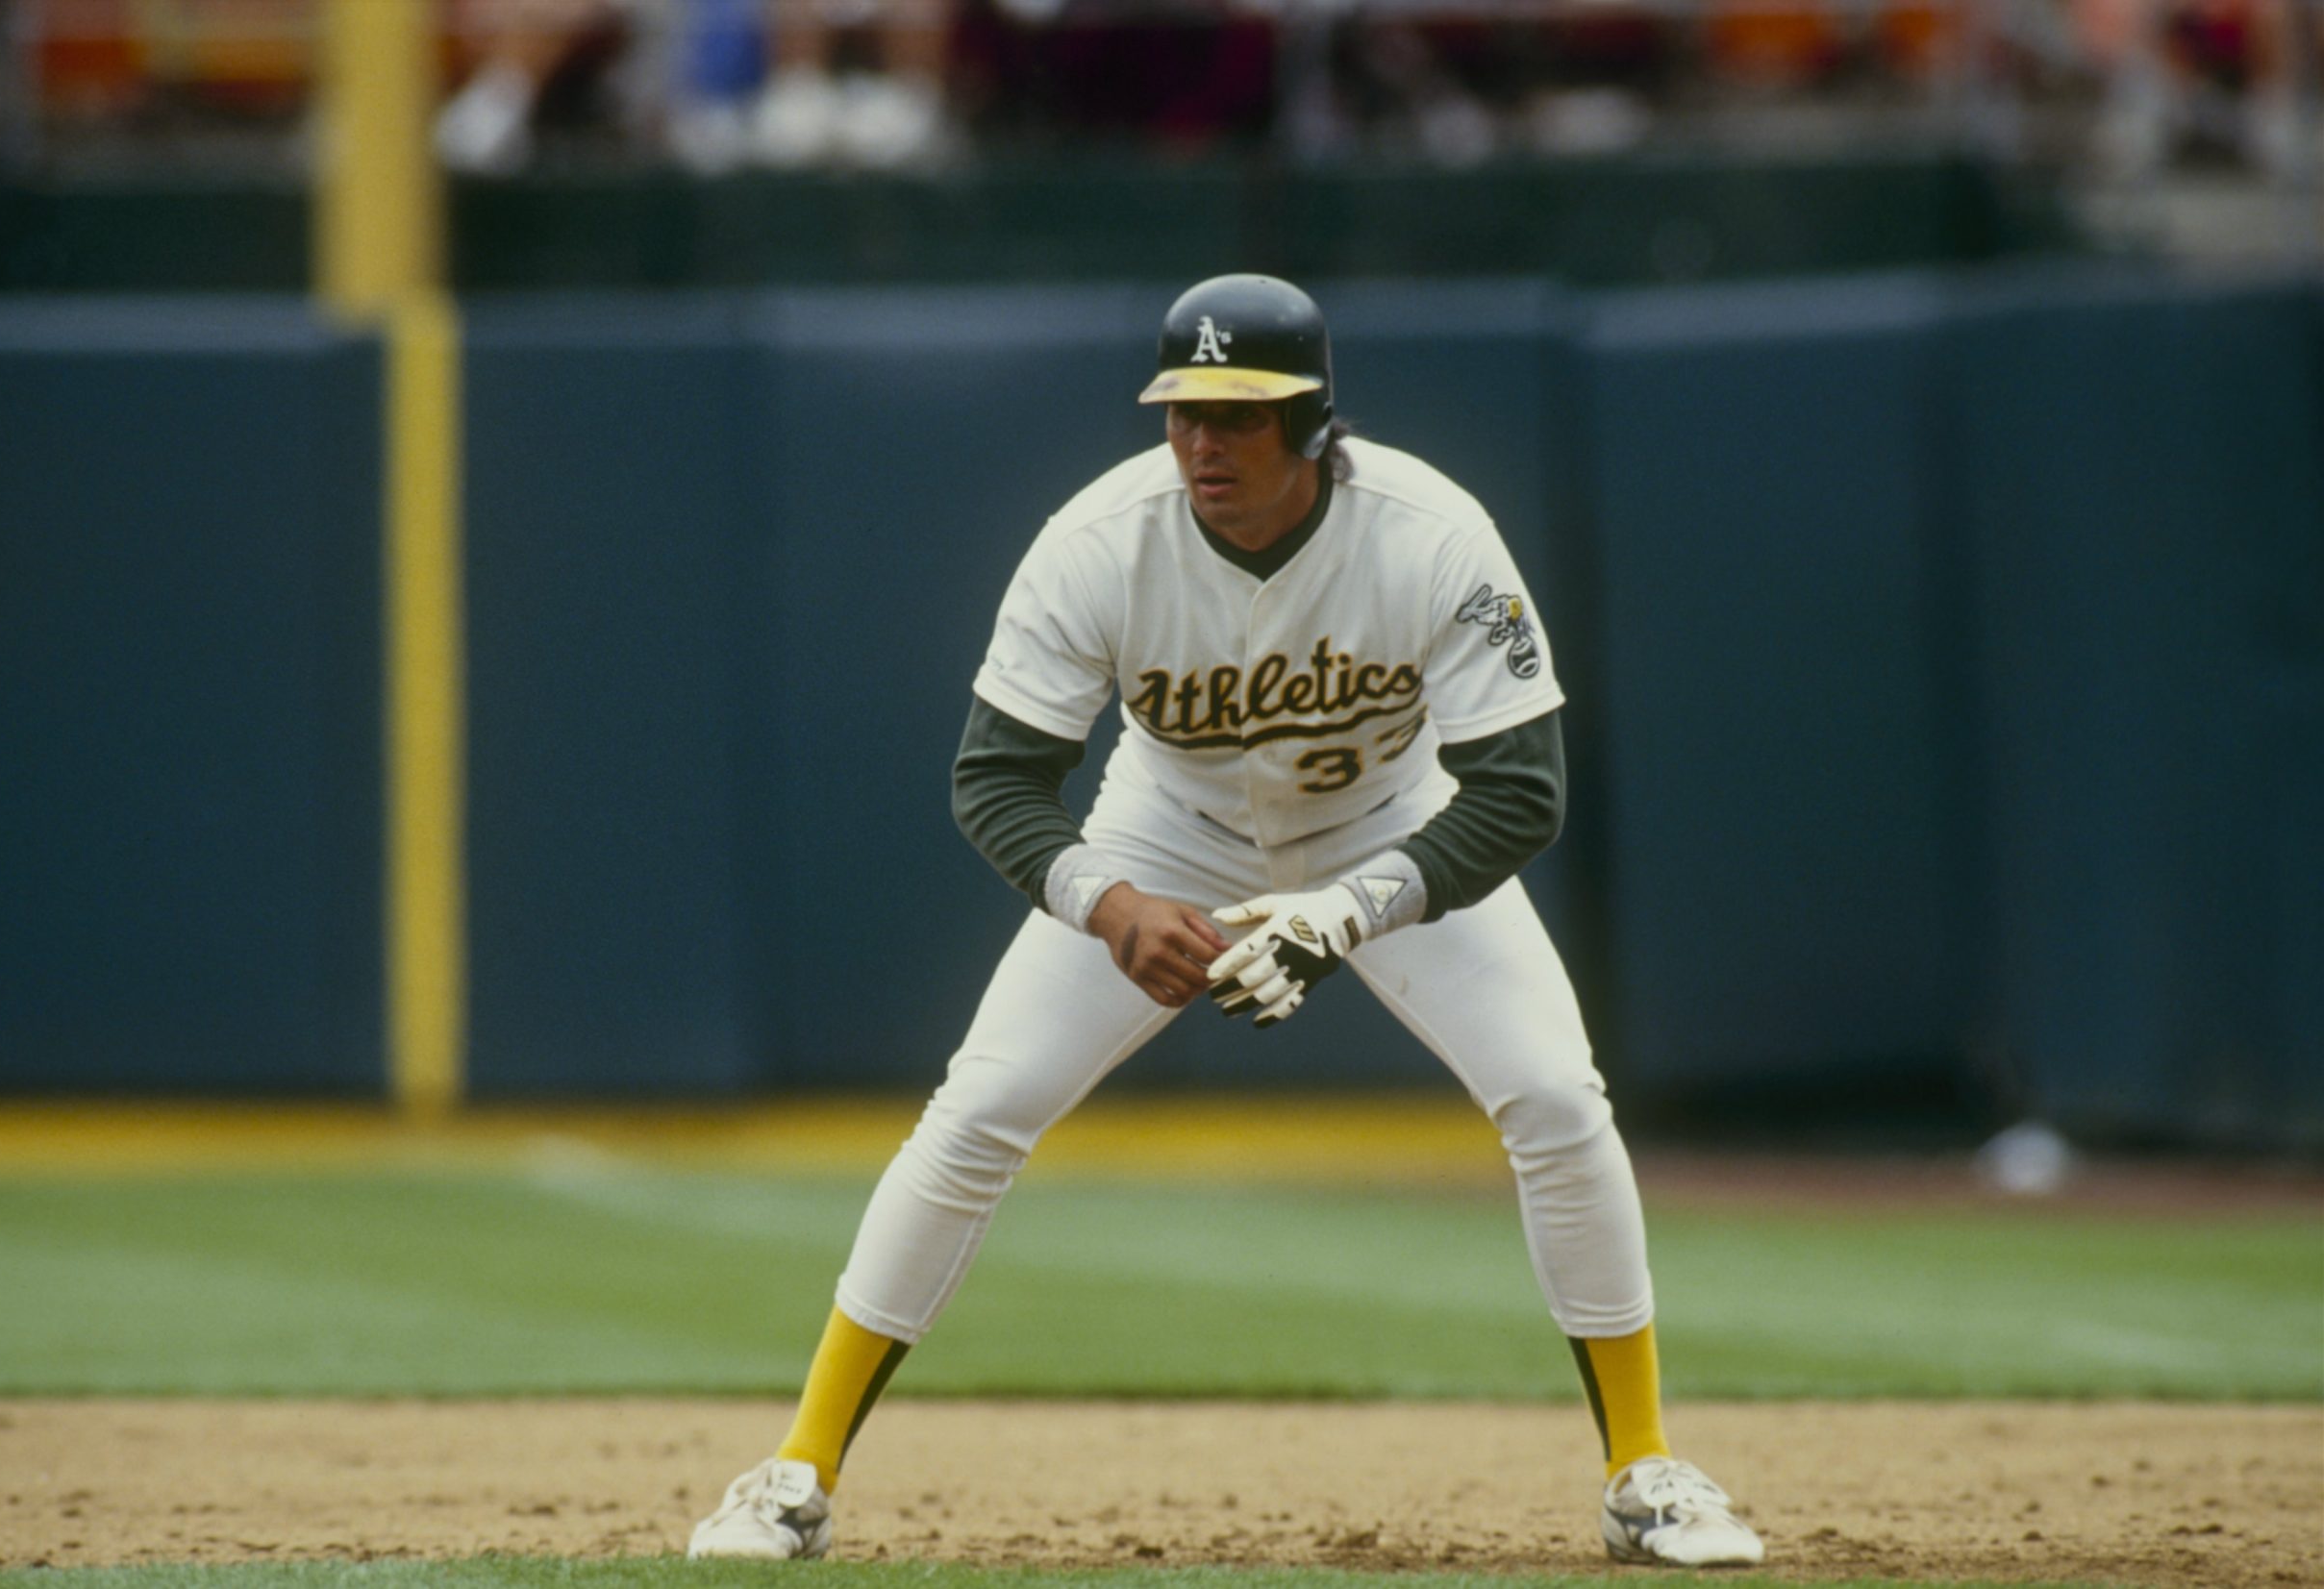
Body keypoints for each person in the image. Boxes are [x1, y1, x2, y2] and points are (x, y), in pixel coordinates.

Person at [687, 274, 1765, 1571]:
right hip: (1165, 829)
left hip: (1389, 824)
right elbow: (995, 777)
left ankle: (1644, 1470)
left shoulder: (1431, 533)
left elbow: (1523, 791)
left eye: (1239, 414)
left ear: (1314, 422)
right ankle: (792, 1472)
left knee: (1555, 1095)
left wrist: (1347, 914)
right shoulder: (1099, 539)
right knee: (978, 1110)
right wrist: (1107, 899)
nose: (1203, 442)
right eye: (1183, 409)